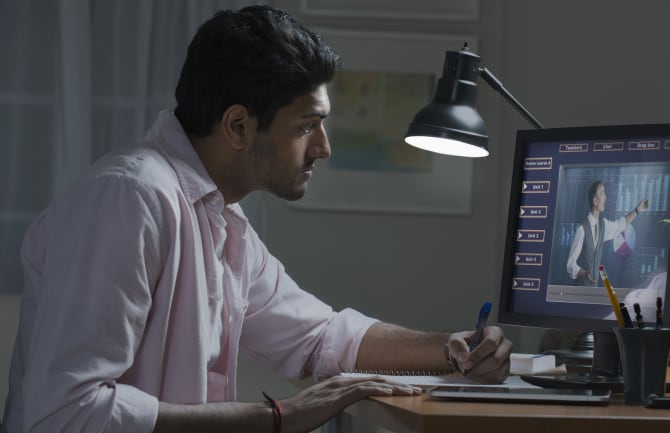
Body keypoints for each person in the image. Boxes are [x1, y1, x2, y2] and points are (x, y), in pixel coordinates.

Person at [1, 6, 511, 433]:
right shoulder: (131, 199)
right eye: (307, 126)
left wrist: (452, 349)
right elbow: (64, 414)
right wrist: (280, 417)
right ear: (238, 126)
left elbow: (319, 337)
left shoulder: (219, 215)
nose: (323, 148)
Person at [566, 180, 648, 286]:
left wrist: (637, 210)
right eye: (602, 193)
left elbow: (620, 225)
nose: (606, 198)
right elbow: (570, 264)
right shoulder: (582, 229)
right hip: (580, 290)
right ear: (595, 201)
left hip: (593, 291)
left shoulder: (603, 225)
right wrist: (585, 273)